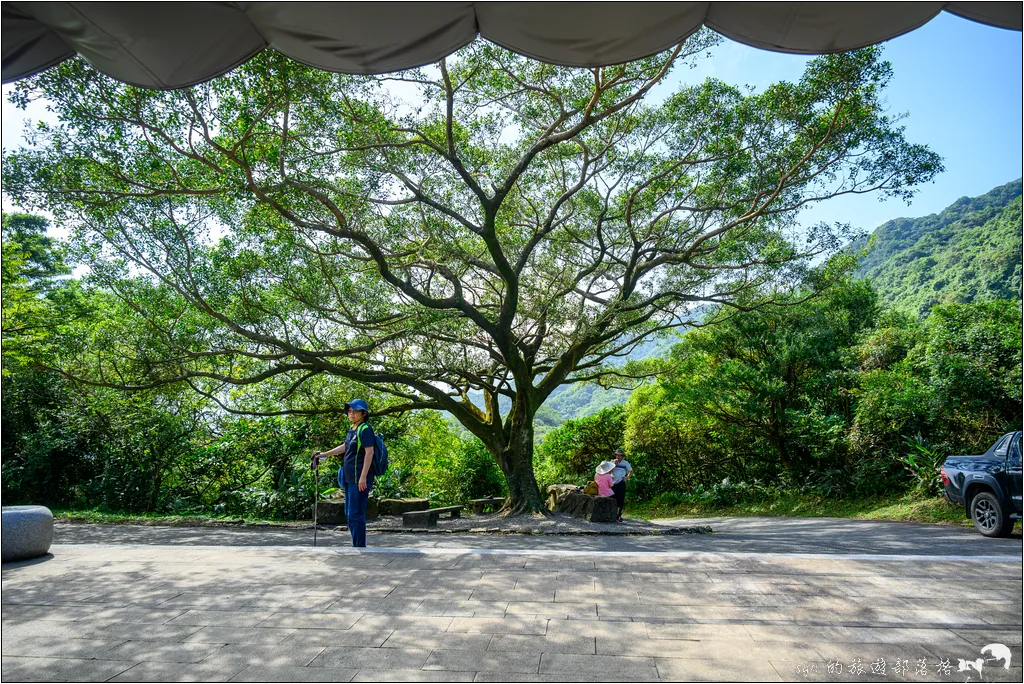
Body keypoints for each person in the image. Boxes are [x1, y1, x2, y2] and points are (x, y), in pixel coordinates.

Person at [313, 399, 376, 547]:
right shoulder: (353, 429)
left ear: (363, 413)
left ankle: (360, 546)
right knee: (349, 513)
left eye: (355, 411)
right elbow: (345, 447)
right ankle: (357, 544)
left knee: (356, 514)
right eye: (349, 411)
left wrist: (363, 477)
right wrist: (323, 454)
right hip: (348, 478)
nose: (351, 414)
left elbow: (369, 453)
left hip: (358, 479)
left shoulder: (365, 429)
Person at [610, 448, 633, 522]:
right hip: (612, 482)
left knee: (620, 500)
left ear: (622, 456)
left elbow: (630, 471)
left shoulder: (625, 463)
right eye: (617, 455)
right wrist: (613, 464)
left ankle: (618, 515)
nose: (618, 457)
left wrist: (627, 478)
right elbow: (607, 471)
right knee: (611, 498)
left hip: (620, 482)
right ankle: (611, 514)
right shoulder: (612, 462)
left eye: (620, 456)